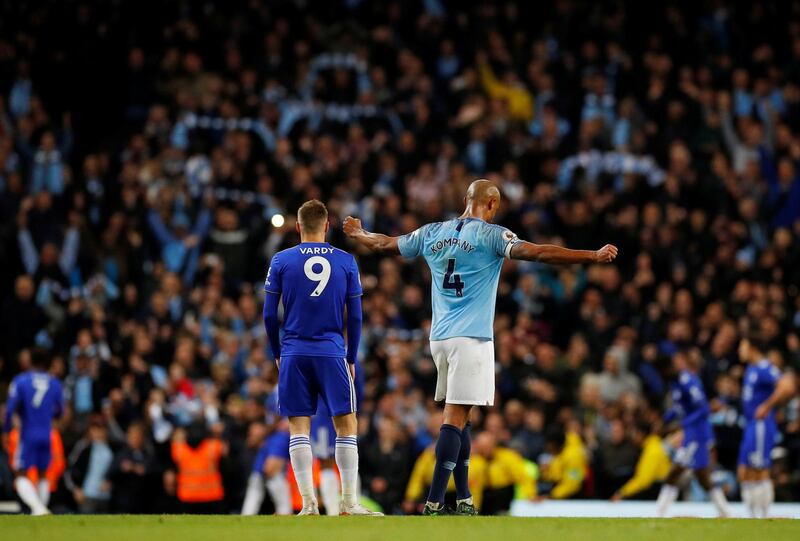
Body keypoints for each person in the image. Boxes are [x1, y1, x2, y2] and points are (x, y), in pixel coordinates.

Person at [343, 178, 618, 515]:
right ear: (491, 205)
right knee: (454, 417)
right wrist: (591, 255)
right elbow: (539, 253)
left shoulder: (431, 232)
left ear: (465, 199)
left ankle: (464, 498)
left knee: (464, 417)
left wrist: (359, 233)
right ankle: (433, 502)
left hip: (440, 338)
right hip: (471, 338)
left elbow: (384, 244)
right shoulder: (492, 235)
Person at [264, 199, 380, 516]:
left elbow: (269, 315)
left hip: (294, 351)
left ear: (298, 226)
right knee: (347, 425)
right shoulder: (346, 261)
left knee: (298, 428)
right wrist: (352, 356)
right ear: (327, 226)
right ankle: (348, 503)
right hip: (331, 351)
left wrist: (277, 352)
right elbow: (355, 317)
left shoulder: (281, 260)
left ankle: (308, 504)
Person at [655, 351, 730, 517]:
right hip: (691, 433)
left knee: (676, 470)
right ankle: (724, 511)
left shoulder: (687, 381)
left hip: (698, 434)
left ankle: (659, 512)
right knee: (702, 475)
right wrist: (664, 420)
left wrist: (683, 424)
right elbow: (677, 408)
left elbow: (703, 409)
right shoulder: (675, 383)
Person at [737, 337, 796, 518]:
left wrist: (768, 406)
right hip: (750, 425)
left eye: (743, 346)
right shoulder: (751, 369)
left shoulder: (764, 368)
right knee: (744, 470)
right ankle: (752, 515)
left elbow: (787, 386)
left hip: (761, 425)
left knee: (759, 470)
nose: (740, 350)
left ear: (753, 348)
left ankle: (762, 516)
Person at [2, 348, 63, 515]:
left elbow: (10, 409)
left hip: (27, 433)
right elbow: (60, 411)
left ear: (30, 360)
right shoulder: (55, 383)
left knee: (20, 473)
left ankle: (38, 508)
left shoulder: (21, 381)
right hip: (47, 433)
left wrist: (6, 430)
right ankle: (40, 511)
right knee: (43, 474)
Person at [241, 421, 292, 516]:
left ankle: (244, 521)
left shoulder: (272, 436)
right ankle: (285, 517)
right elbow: (270, 468)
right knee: (283, 505)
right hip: (271, 475)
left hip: (258, 472)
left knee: (251, 504)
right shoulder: (280, 436)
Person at [611, 422, 670, 501]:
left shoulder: (652, 450)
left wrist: (622, 493)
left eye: (634, 433)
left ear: (640, 434)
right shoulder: (653, 445)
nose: (632, 436)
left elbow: (644, 480)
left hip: (659, 493)